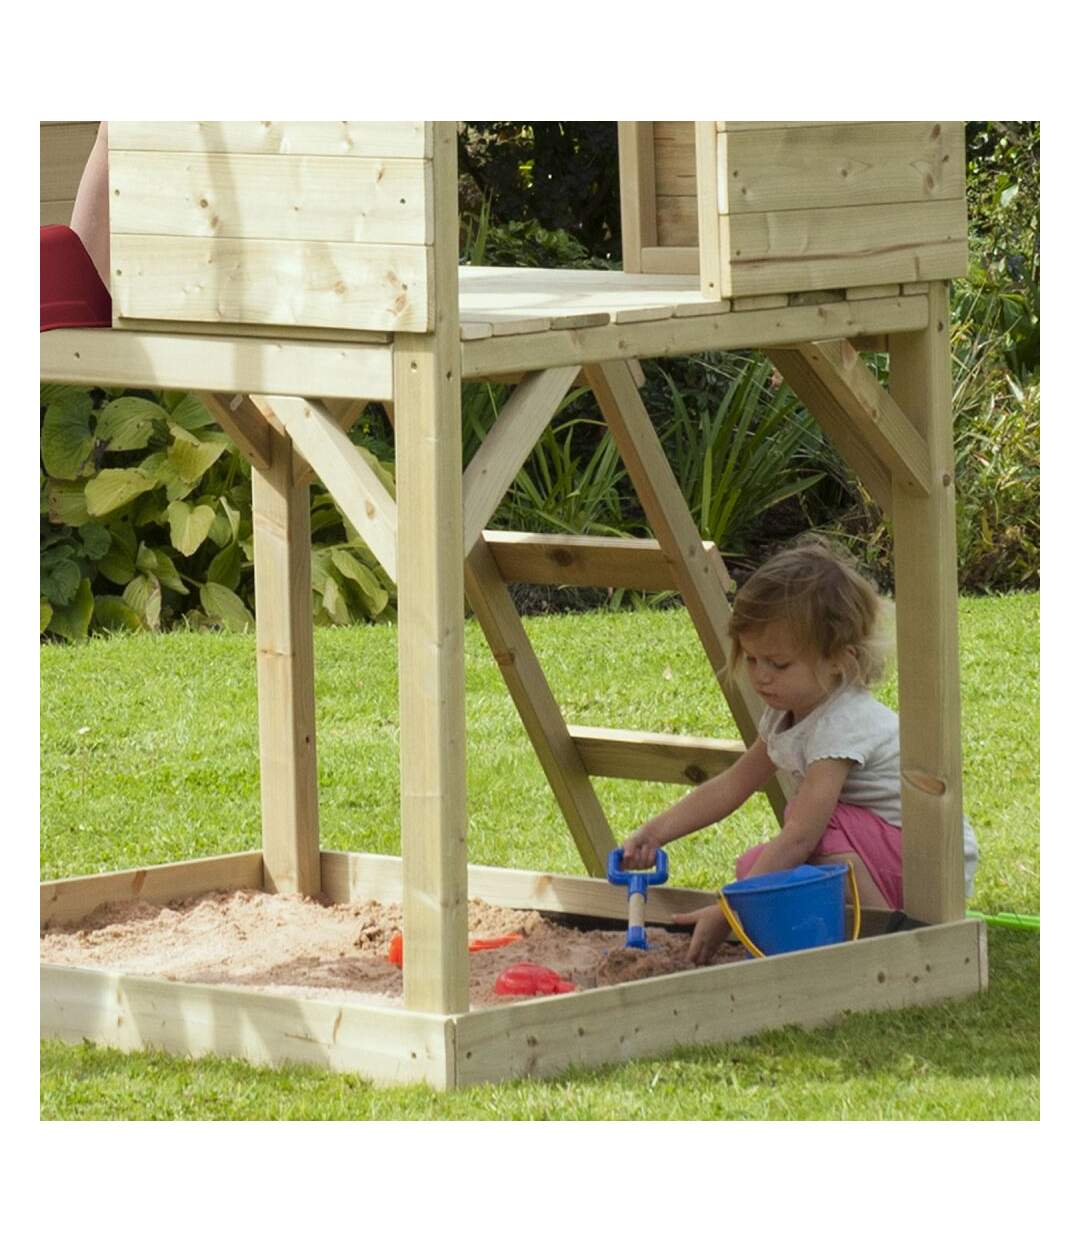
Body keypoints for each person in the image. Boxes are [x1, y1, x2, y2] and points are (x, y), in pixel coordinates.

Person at [620, 537, 979, 964]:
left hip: (926, 862)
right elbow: (732, 785)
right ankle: (832, 938)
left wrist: (729, 908)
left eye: (778, 663)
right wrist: (655, 833)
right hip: (876, 851)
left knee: (796, 840)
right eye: (752, 659)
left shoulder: (841, 723)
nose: (761, 677)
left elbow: (803, 834)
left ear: (838, 660)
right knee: (753, 870)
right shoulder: (786, 711)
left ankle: (884, 934)